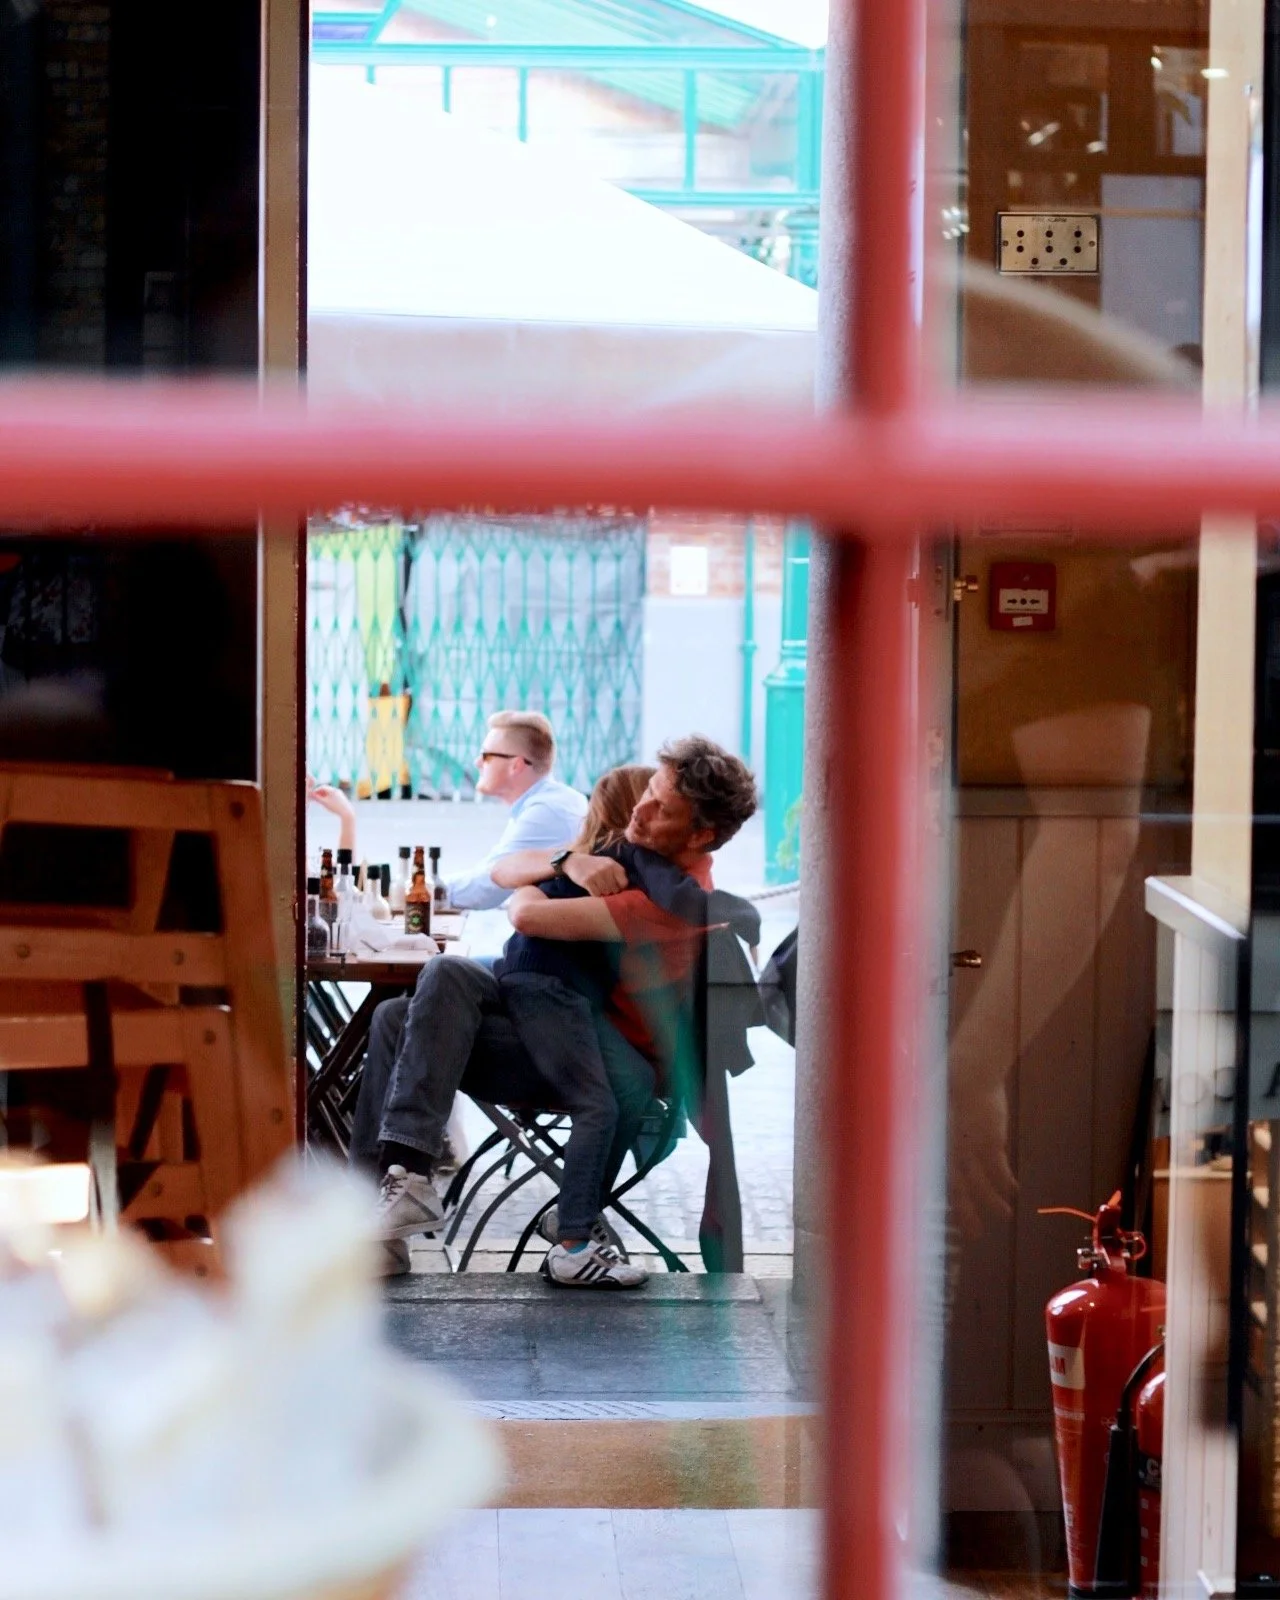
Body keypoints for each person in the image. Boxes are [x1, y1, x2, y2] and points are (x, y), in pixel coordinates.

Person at [352, 735, 758, 1286]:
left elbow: (525, 914)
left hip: (594, 1062)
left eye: (661, 806)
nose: (640, 808)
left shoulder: (665, 904)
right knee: (400, 1012)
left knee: (403, 1020)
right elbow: (503, 870)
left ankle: (395, 1212)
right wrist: (570, 859)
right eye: (648, 793)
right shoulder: (642, 859)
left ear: (702, 834)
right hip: (554, 1021)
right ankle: (391, 1204)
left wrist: (554, 878)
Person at [443, 710, 587, 910]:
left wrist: (420, 888)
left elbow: (484, 889)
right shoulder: (547, 801)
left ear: (516, 765)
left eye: (486, 756)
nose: (477, 763)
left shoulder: (546, 812)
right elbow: (488, 872)